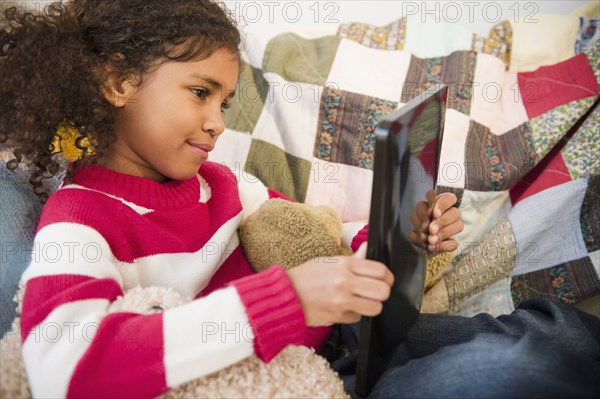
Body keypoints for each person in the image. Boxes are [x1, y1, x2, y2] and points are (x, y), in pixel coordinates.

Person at [0, 1, 463, 398]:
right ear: (119, 82)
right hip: (283, 378)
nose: (218, 123)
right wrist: (288, 301)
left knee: (520, 334)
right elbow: (63, 370)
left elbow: (323, 232)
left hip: (348, 343)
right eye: (200, 93)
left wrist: (397, 240)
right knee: (497, 370)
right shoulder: (78, 217)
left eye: (222, 103)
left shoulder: (222, 183)